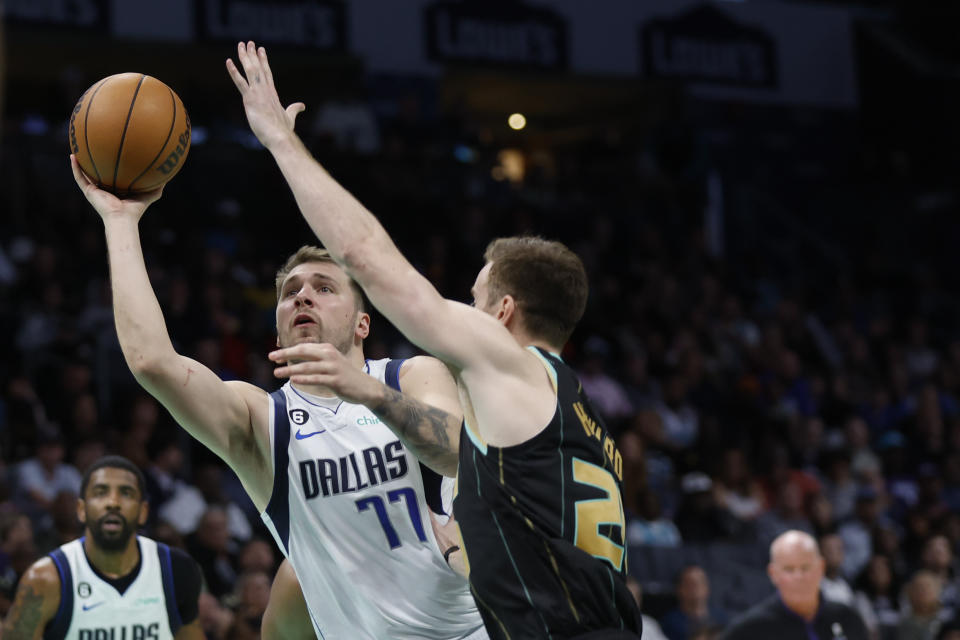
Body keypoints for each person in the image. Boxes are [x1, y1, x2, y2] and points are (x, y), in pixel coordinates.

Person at [227, 40, 641, 638]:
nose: (460, 320)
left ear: (500, 313)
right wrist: (460, 555)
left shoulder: (504, 366)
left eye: (471, 302)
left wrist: (283, 144)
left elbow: (366, 256)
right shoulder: (579, 421)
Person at [70, 156, 485, 639]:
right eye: (291, 293)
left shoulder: (412, 375)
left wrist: (365, 392)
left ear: (361, 323)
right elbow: (152, 362)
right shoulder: (263, 418)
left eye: (324, 287)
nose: (303, 297)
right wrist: (120, 222)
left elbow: (460, 453)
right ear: (278, 328)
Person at [1, 455, 204, 638]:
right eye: (100, 492)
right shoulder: (44, 579)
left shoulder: (176, 569)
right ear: (81, 509)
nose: (113, 503)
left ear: (143, 511)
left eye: (126, 493)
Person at [721, 530, 869, 640]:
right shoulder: (748, 630)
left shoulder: (848, 618)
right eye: (789, 569)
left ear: (821, 568)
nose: (799, 577)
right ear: (773, 573)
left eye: (805, 568)